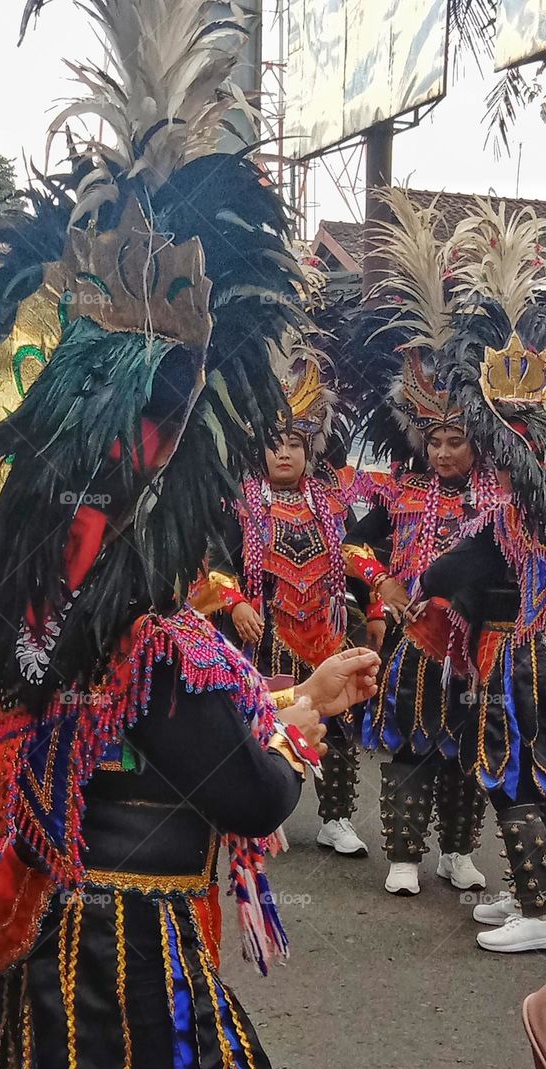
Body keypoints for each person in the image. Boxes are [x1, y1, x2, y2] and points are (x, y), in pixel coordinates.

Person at [0, 3, 379, 1069]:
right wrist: (294, 719)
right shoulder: (163, 648)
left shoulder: (44, 619)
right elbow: (252, 786)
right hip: (137, 960)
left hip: (46, 935)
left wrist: (298, 689)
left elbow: (189, 741)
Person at [338, 188, 500, 898]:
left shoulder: (501, 500)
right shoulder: (397, 496)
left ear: (477, 443)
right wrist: (387, 584)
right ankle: (402, 856)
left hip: (478, 643)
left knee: (466, 752)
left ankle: (458, 854)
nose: (441, 451)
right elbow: (350, 548)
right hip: (412, 644)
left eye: (454, 439)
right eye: (432, 439)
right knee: (406, 751)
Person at [409, 198, 546, 952]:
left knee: (521, 768)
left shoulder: (528, 495)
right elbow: (475, 554)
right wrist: (428, 581)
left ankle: (541, 908)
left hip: (532, 652)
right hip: (508, 646)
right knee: (507, 767)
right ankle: (530, 890)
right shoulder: (513, 504)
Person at [193, 354, 377, 858]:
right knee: (263, 717)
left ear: (309, 450)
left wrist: (374, 610)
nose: (284, 455)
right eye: (274, 445)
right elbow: (215, 562)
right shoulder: (240, 503)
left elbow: (355, 559)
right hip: (264, 632)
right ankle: (263, 811)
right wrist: (233, 605)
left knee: (333, 725)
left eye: (294, 445)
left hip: (324, 631)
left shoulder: (331, 502)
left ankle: (335, 817)